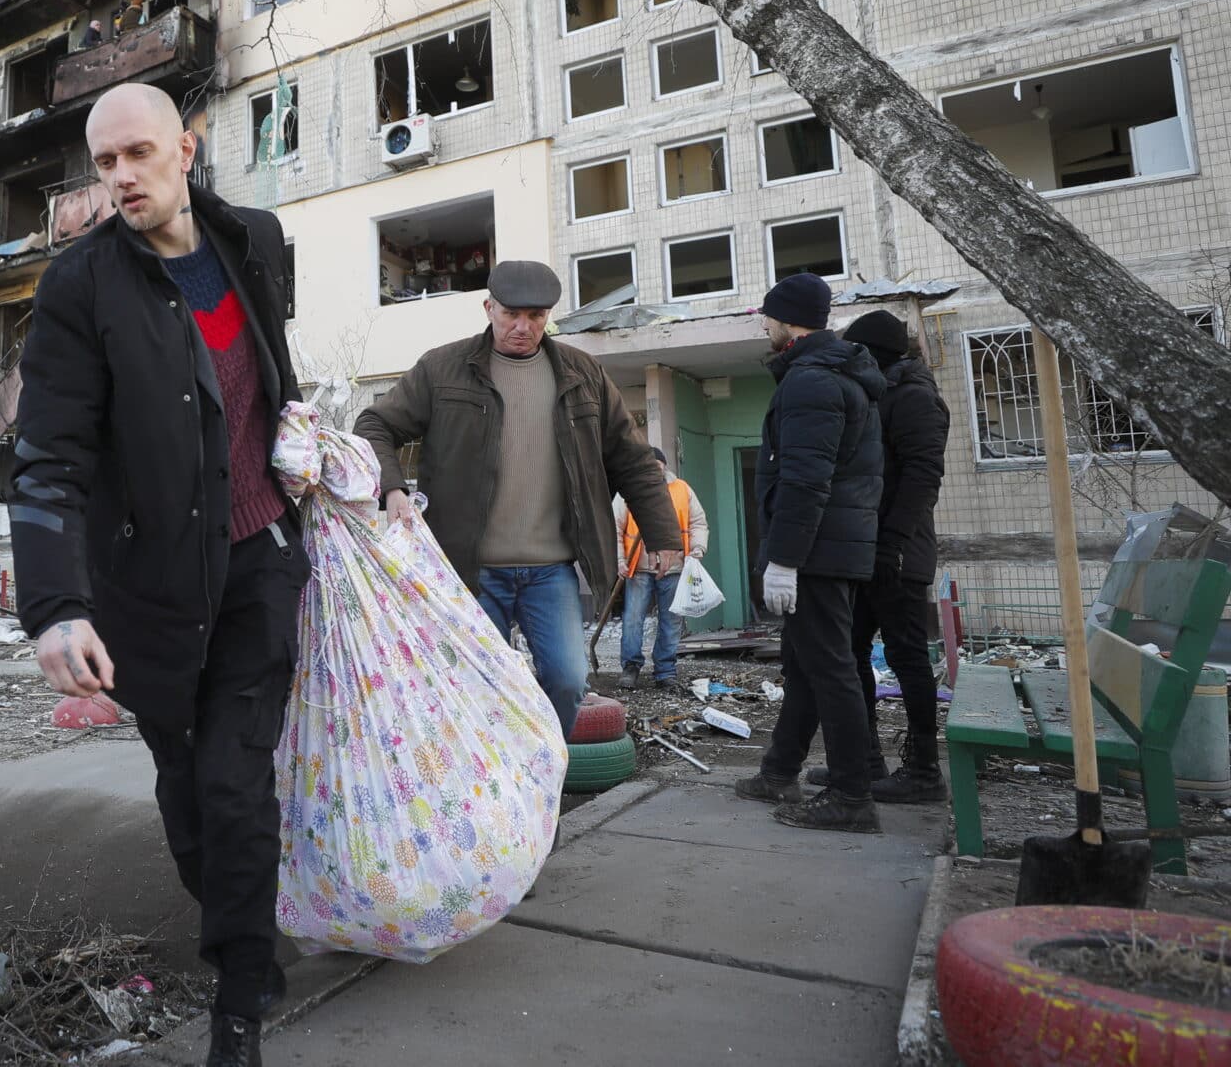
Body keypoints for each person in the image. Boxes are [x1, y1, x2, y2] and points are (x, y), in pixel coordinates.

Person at [10, 82, 305, 1067]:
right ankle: (233, 922)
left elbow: (265, 380)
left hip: (261, 557)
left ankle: (238, 994)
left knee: (235, 779)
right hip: (149, 586)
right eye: (103, 163)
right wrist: (54, 604)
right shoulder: (80, 284)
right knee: (183, 778)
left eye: (138, 153)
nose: (121, 177)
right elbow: (48, 454)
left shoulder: (257, 242)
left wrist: (313, 454)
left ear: (184, 147)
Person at [355, 261, 682, 739]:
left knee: (569, 681)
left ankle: (535, 773)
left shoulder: (582, 373)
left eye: (536, 315)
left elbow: (632, 458)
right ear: (488, 308)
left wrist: (662, 533)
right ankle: (483, 792)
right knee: (471, 689)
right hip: (469, 572)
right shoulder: (442, 369)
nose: (522, 327)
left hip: (549, 572)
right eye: (511, 314)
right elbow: (375, 425)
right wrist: (392, 487)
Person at [735, 274, 886, 833]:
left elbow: (804, 480)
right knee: (806, 667)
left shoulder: (811, 382)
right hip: (832, 547)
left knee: (830, 669)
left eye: (768, 316)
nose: (764, 325)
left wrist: (785, 558)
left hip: (817, 552)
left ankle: (852, 797)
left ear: (788, 319)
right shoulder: (838, 375)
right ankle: (779, 771)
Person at [802, 310, 951, 803]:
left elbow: (922, 476)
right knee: (851, 650)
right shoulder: (882, 393)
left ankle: (923, 770)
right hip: (870, 549)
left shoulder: (915, 398)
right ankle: (865, 761)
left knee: (907, 656)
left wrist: (892, 543)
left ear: (878, 353)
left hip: (899, 553)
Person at [614, 447, 709, 691]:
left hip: (675, 567)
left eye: (658, 466)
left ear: (665, 467)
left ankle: (665, 672)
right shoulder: (629, 493)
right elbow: (614, 527)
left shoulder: (682, 489)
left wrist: (697, 549)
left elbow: (697, 522)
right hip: (639, 566)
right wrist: (619, 560)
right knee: (633, 619)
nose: (655, 471)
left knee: (671, 621)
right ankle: (630, 667)